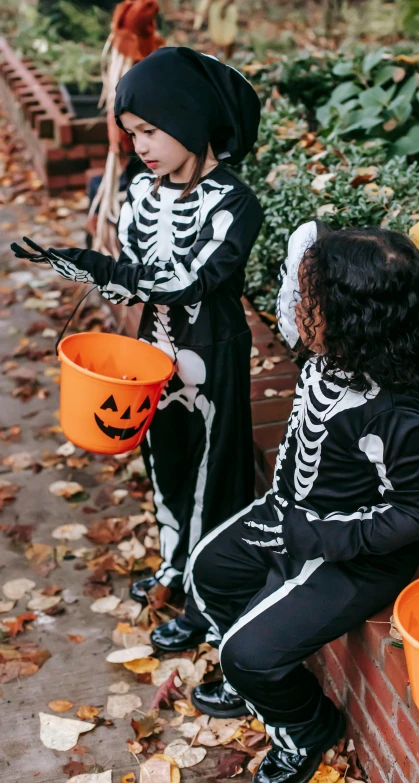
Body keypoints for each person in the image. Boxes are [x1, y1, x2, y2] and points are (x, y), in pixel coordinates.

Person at [150, 222, 419, 783]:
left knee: (248, 653)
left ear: (349, 317)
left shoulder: (391, 415)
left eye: (308, 299)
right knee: (207, 570)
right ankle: (257, 682)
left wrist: (314, 536)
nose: (294, 306)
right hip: (289, 517)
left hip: (355, 556)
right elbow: (294, 292)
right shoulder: (328, 358)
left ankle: (307, 727)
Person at [11, 48, 264, 617]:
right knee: (164, 458)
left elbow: (192, 279)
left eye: (150, 131)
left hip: (212, 352)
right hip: (152, 352)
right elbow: (133, 272)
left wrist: (106, 270)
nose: (140, 146)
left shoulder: (235, 204)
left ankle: (209, 590)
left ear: (190, 119)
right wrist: (95, 269)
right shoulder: (141, 193)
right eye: (132, 135)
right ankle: (175, 561)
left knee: (214, 472)